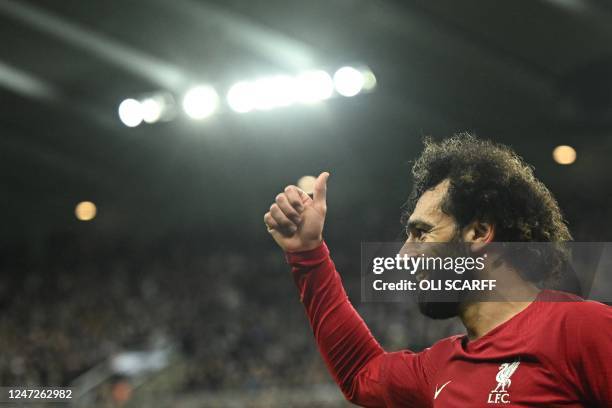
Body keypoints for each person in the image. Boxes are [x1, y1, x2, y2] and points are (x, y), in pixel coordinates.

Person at [263, 134, 611, 407]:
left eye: (421, 233)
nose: (404, 254)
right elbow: (360, 373)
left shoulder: (579, 328)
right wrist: (307, 254)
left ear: (478, 233)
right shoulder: (439, 367)